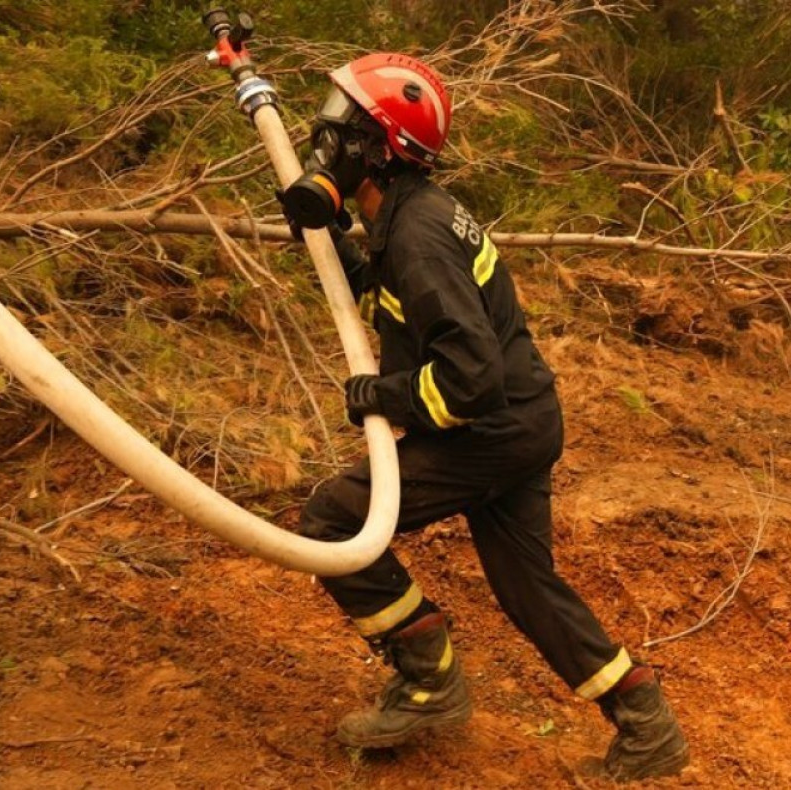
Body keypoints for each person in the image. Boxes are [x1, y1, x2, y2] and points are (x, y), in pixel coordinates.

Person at [278, 53, 688, 781]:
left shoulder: (418, 236)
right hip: (525, 422)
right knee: (528, 588)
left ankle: (429, 679)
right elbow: (404, 303)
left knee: (335, 520)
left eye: (343, 124)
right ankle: (645, 719)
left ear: (378, 148)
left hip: (491, 429)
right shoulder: (405, 217)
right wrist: (335, 246)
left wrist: (387, 398)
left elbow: (471, 379)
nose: (326, 136)